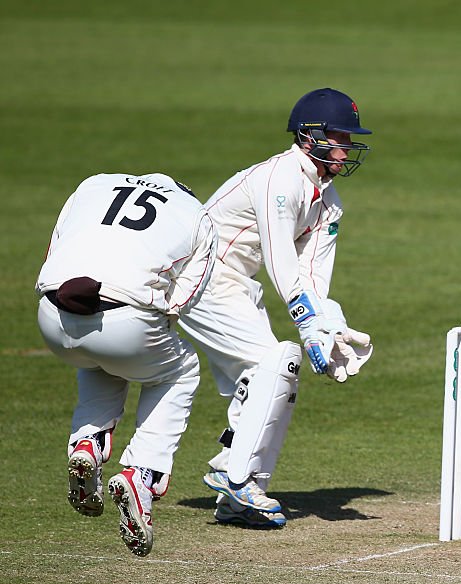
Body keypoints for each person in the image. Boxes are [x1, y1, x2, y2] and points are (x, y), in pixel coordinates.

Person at [178, 87, 373, 529]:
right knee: (278, 362)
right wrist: (307, 329)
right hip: (199, 276)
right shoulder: (280, 179)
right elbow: (281, 261)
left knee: (270, 380)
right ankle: (234, 473)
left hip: (236, 285)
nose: (348, 147)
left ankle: (237, 495)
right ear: (310, 136)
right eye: (341, 136)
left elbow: (314, 280)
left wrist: (331, 328)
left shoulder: (330, 203)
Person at [36, 172, 217, 557]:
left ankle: (88, 442)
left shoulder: (92, 185)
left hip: (53, 314)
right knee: (180, 370)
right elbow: (184, 299)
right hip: (126, 321)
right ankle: (142, 474)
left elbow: (54, 249)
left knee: (96, 357)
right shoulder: (197, 214)